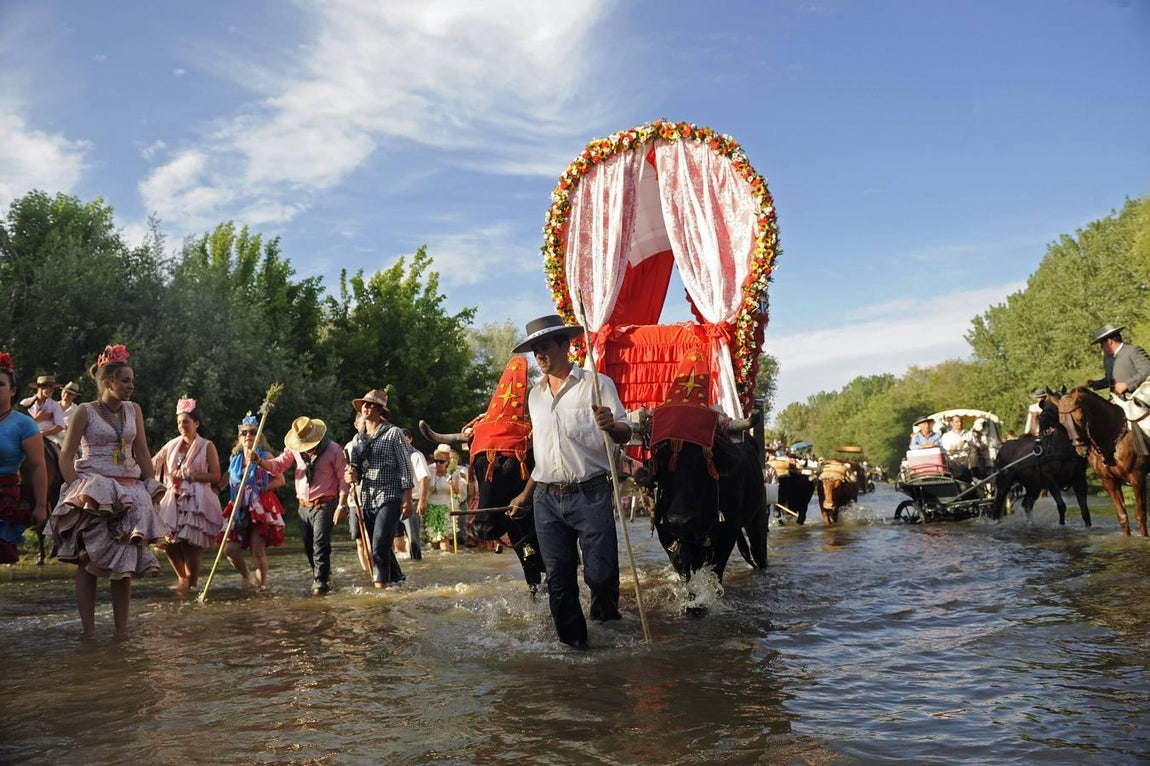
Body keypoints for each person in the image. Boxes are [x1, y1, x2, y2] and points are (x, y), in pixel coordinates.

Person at [508, 314, 631, 650]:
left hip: (590, 493)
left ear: (566, 345)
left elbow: (625, 432)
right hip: (546, 499)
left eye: (545, 346)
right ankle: (575, 648)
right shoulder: (534, 397)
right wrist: (525, 494)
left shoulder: (597, 384)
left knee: (601, 576)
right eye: (535, 350)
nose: (540, 355)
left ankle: (606, 625)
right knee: (559, 581)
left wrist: (611, 425)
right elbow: (543, 456)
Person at [47, 344, 169, 638]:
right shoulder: (84, 412)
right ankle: (88, 631)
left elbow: (141, 452)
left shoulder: (134, 410)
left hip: (128, 490)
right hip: (94, 491)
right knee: (88, 561)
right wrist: (77, 491)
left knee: (124, 562)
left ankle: (121, 632)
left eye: (132, 381)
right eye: (125, 380)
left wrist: (151, 488)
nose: (131, 386)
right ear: (108, 381)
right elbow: (66, 456)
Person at [255, 415, 348, 595]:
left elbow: (343, 480)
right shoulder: (295, 450)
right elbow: (279, 465)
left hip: (324, 504)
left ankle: (320, 583)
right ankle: (324, 574)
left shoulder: (334, 450)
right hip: (303, 506)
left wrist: (341, 506)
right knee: (308, 545)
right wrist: (260, 462)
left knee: (320, 544)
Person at [152, 398, 224, 592]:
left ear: (196, 423)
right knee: (168, 542)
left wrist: (192, 476)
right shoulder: (171, 445)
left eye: (186, 421)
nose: (182, 426)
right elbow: (152, 463)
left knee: (191, 543)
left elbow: (216, 475)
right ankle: (182, 579)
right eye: (179, 422)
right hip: (172, 497)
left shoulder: (207, 445)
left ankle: (192, 585)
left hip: (196, 498)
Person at [345, 389, 413, 588]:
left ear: (380, 410)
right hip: (367, 497)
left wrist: (407, 499)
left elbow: (406, 467)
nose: (367, 407)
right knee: (381, 543)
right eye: (365, 404)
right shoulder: (358, 438)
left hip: (390, 495)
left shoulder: (394, 433)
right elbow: (354, 469)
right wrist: (350, 474)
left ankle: (380, 587)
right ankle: (398, 578)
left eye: (372, 405)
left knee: (379, 544)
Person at [220, 413, 286, 591]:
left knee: (257, 550)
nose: (248, 436)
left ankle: (261, 586)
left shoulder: (266, 455)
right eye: (244, 433)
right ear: (239, 437)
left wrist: (261, 489)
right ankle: (247, 577)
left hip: (260, 505)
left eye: (252, 432)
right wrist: (216, 488)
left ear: (258, 436)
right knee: (229, 550)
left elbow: (280, 480)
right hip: (239, 505)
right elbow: (228, 478)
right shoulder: (235, 459)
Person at [0, 352, 48, 565]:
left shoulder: (24, 424)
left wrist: (40, 505)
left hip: (3, 497)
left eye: (0, 384)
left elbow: (38, 466)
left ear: (12, 391)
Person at [1087, 324, 1150, 421]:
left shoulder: (1133, 351)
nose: (1101, 348)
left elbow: (1147, 370)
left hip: (1141, 403)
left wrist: (1127, 385)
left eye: (1101, 344)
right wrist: (1096, 384)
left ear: (1109, 341)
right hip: (1118, 404)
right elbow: (1110, 380)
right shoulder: (1107, 359)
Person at [425, 443, 467, 551]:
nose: (438, 464)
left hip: (446, 508)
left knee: (443, 537)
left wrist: (453, 486)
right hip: (431, 508)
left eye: (441, 461)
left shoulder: (453, 473)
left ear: (447, 462)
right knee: (433, 539)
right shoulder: (429, 470)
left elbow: (457, 492)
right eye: (436, 461)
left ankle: (446, 557)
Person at [401, 428, 429, 561]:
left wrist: (422, 501)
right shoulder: (395, 455)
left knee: (413, 538)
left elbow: (424, 478)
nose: (402, 441)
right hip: (396, 501)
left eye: (405, 438)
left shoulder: (416, 455)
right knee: (396, 538)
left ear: (410, 439)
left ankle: (416, 562)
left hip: (413, 500)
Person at [19, 374, 66, 446]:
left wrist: (43, 433)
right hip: (27, 435)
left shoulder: (55, 405)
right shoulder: (25, 403)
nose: (52, 390)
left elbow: (60, 426)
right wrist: (37, 419)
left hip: (49, 436)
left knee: (61, 450)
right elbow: (19, 424)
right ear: (40, 387)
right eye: (49, 387)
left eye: (53, 388)